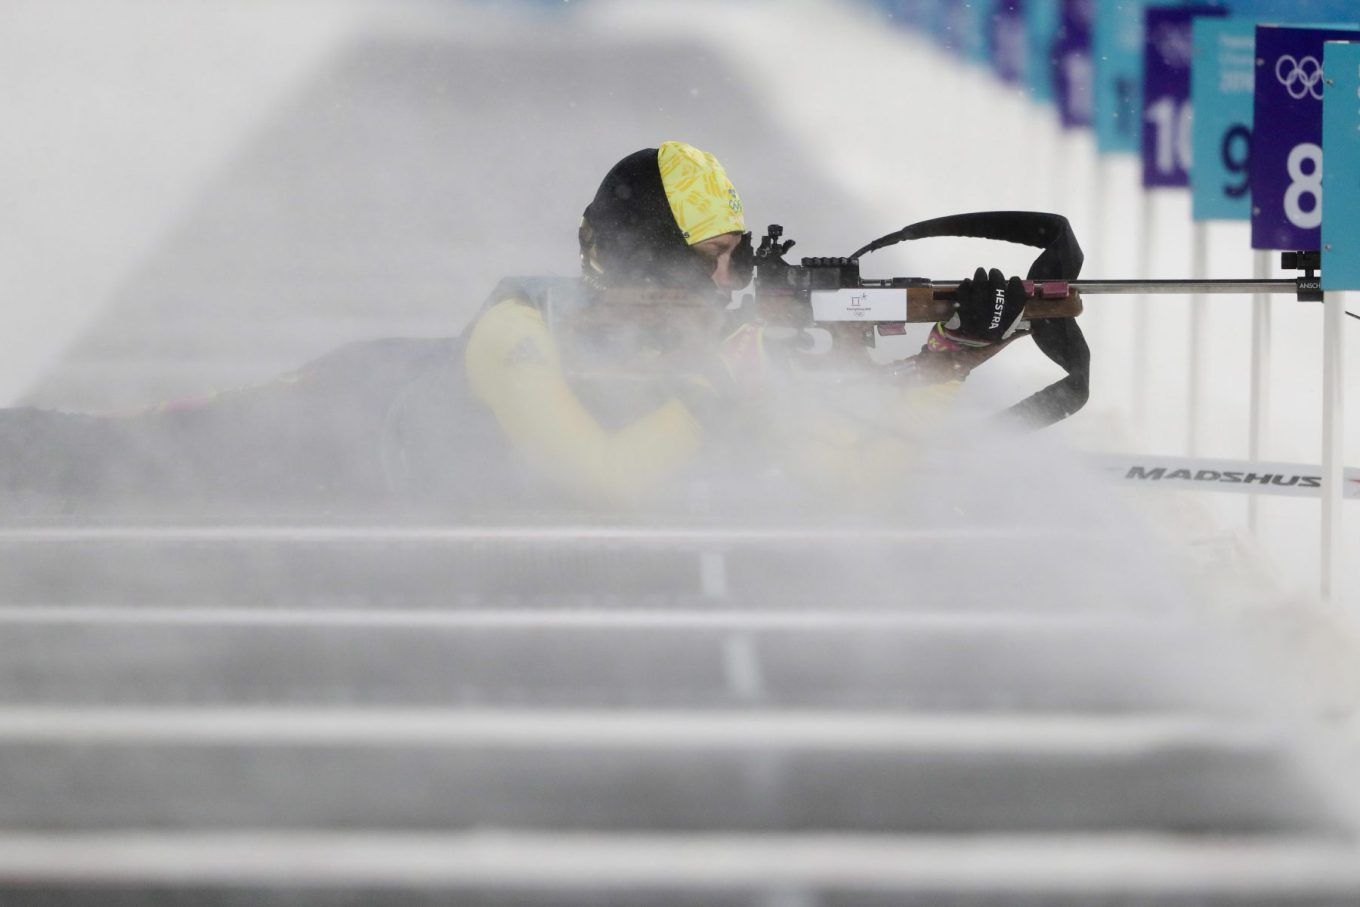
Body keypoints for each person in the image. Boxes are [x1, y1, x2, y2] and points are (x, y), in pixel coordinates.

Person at [0, 141, 1028, 516]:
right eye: (709, 258)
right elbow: (606, 479)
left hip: (412, 438)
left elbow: (842, 476)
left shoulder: (702, 346)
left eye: (733, 256)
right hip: (344, 423)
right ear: (643, 259)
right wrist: (718, 395)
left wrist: (942, 361)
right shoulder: (521, 327)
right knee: (103, 453)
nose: (732, 277)